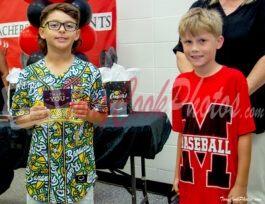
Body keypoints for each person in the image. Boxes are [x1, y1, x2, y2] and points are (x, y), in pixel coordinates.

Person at [11, 3, 108, 204]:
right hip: (41, 172)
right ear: (42, 31)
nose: (62, 29)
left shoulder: (90, 73)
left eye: (69, 25)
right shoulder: (28, 75)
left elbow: (101, 115)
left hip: (78, 169)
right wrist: (31, 117)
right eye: (54, 24)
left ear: (77, 34)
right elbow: (17, 120)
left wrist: (88, 114)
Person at [173, 0, 265, 203]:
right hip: (204, 116)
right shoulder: (202, 5)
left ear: (219, 41)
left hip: (247, 104)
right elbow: (183, 134)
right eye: (190, 42)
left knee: (250, 193)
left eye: (202, 41)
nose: (195, 48)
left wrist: (231, 94)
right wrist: (202, 90)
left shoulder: (259, 7)